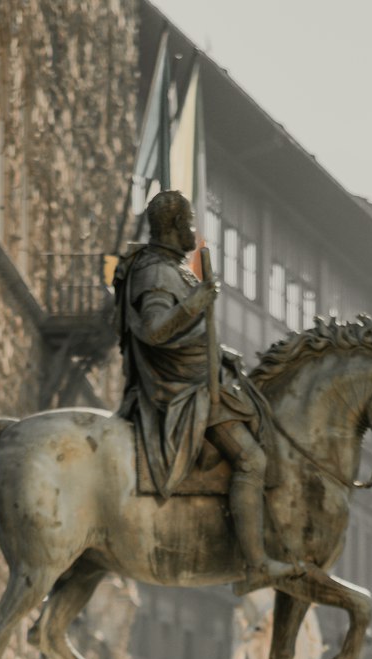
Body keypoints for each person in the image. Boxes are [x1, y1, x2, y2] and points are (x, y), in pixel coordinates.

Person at [114, 188, 297, 584]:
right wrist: (196, 303)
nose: (195, 233)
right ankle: (255, 563)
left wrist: (219, 349)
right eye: (191, 224)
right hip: (180, 385)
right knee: (252, 459)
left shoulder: (173, 268)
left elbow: (186, 331)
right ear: (176, 226)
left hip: (200, 371)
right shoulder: (156, 272)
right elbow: (154, 329)